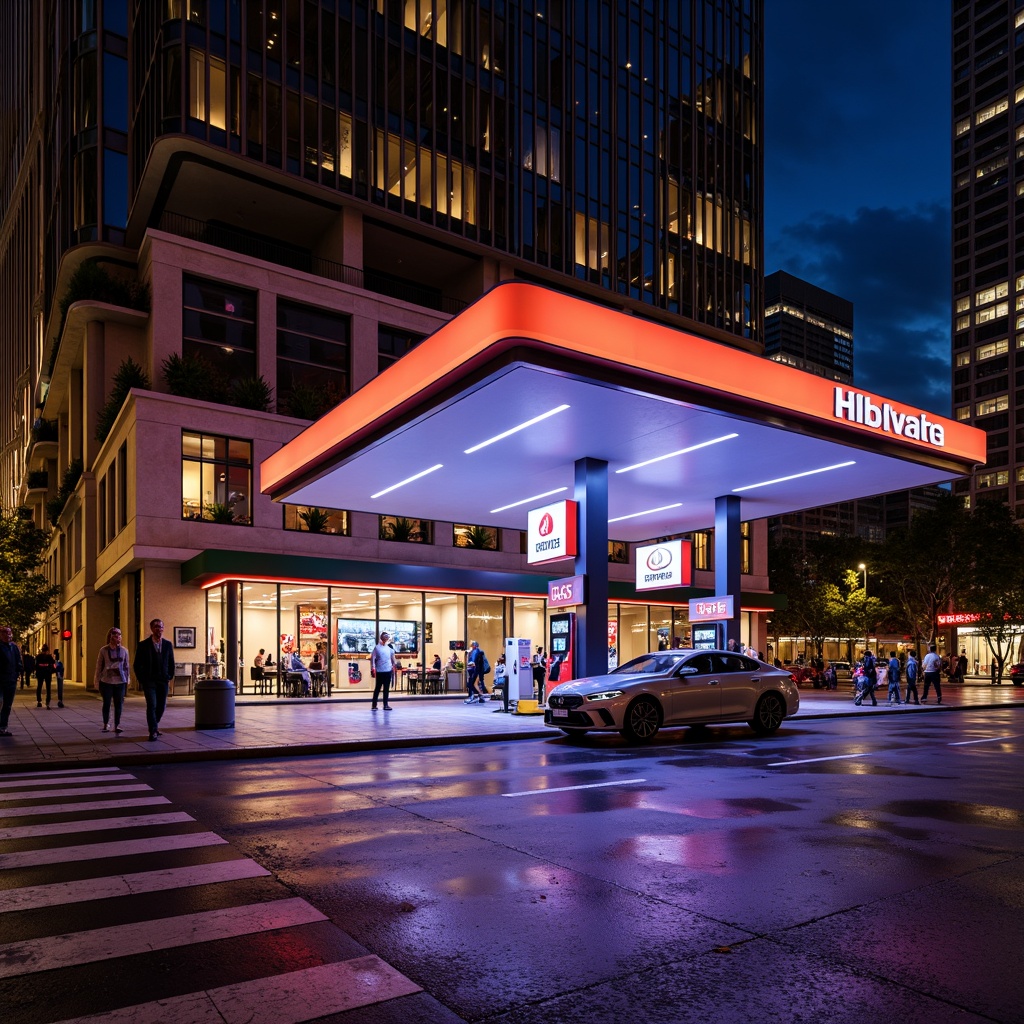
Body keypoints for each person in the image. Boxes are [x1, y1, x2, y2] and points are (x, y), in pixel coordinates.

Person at [133, 618, 175, 741]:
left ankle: (154, 725)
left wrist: (169, 676)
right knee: (152, 704)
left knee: (161, 706)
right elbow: (137, 664)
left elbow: (171, 662)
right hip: (149, 680)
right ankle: (153, 731)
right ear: (151, 629)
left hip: (163, 680)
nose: (159, 629)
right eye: (156, 627)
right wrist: (142, 679)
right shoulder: (143, 645)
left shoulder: (167, 645)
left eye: (161, 627)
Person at [95, 627, 130, 733]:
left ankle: (117, 725)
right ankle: (106, 724)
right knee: (107, 703)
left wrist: (128, 679)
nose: (117, 637)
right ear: (110, 636)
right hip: (107, 681)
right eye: (115, 634)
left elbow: (126, 666)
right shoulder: (104, 650)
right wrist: (97, 681)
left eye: (119, 635)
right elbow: (99, 666)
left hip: (120, 681)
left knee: (119, 704)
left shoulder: (124, 650)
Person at [0, 625, 24, 736]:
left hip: (11, 680)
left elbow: (18, 661)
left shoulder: (14, 647)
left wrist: (17, 673)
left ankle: (3, 727)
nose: (8, 634)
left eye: (9, 632)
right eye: (5, 632)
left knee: (8, 705)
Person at [370, 630, 399, 710]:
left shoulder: (389, 648)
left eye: (387, 636)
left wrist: (394, 665)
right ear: (381, 637)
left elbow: (393, 659)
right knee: (378, 688)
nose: (386, 638)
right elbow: (373, 658)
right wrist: (373, 668)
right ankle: (374, 705)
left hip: (387, 671)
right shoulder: (377, 648)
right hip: (380, 671)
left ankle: (385, 704)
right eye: (385, 636)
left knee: (386, 688)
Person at [35, 643, 56, 708]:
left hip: (40, 673)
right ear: (47, 650)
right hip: (47, 672)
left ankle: (39, 701)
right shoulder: (49, 656)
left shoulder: (38, 656)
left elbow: (36, 665)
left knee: (39, 686)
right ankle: (48, 701)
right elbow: (53, 664)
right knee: (48, 687)